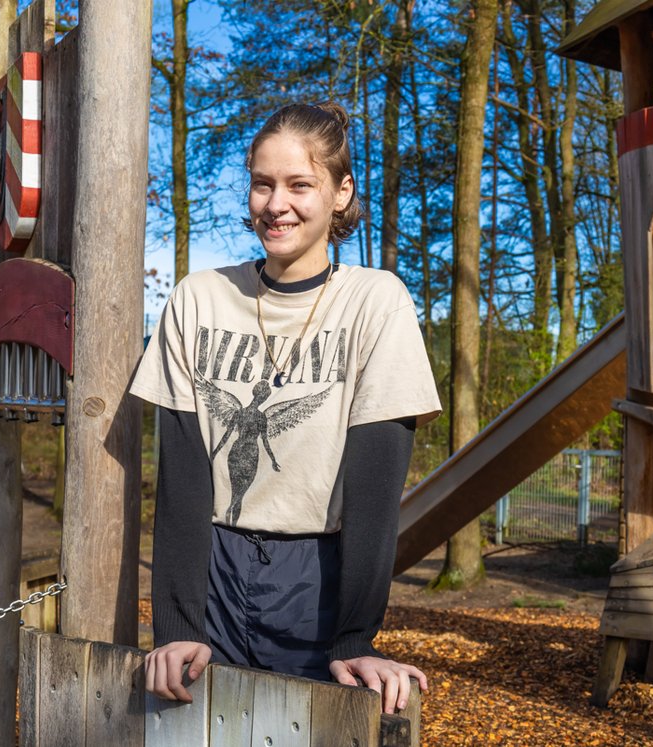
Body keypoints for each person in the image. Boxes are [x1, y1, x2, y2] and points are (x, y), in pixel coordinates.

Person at [130, 101, 441, 715]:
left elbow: (376, 481)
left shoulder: (376, 304)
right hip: (211, 570)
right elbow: (184, 476)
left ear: (340, 192)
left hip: (319, 579)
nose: (277, 204)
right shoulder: (200, 299)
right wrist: (175, 624)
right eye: (262, 183)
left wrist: (357, 635)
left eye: (301, 184)